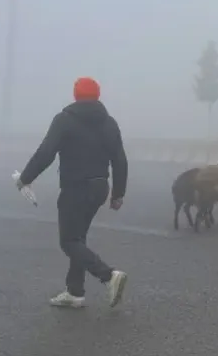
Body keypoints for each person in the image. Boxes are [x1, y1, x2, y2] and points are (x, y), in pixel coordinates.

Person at [16, 76, 129, 308]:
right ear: (98, 95)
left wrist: (25, 179)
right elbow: (120, 159)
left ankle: (108, 276)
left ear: (75, 95)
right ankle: (75, 292)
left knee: (68, 241)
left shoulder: (64, 120)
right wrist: (118, 193)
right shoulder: (109, 122)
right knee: (78, 238)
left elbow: (46, 152)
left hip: (76, 188)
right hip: (100, 187)